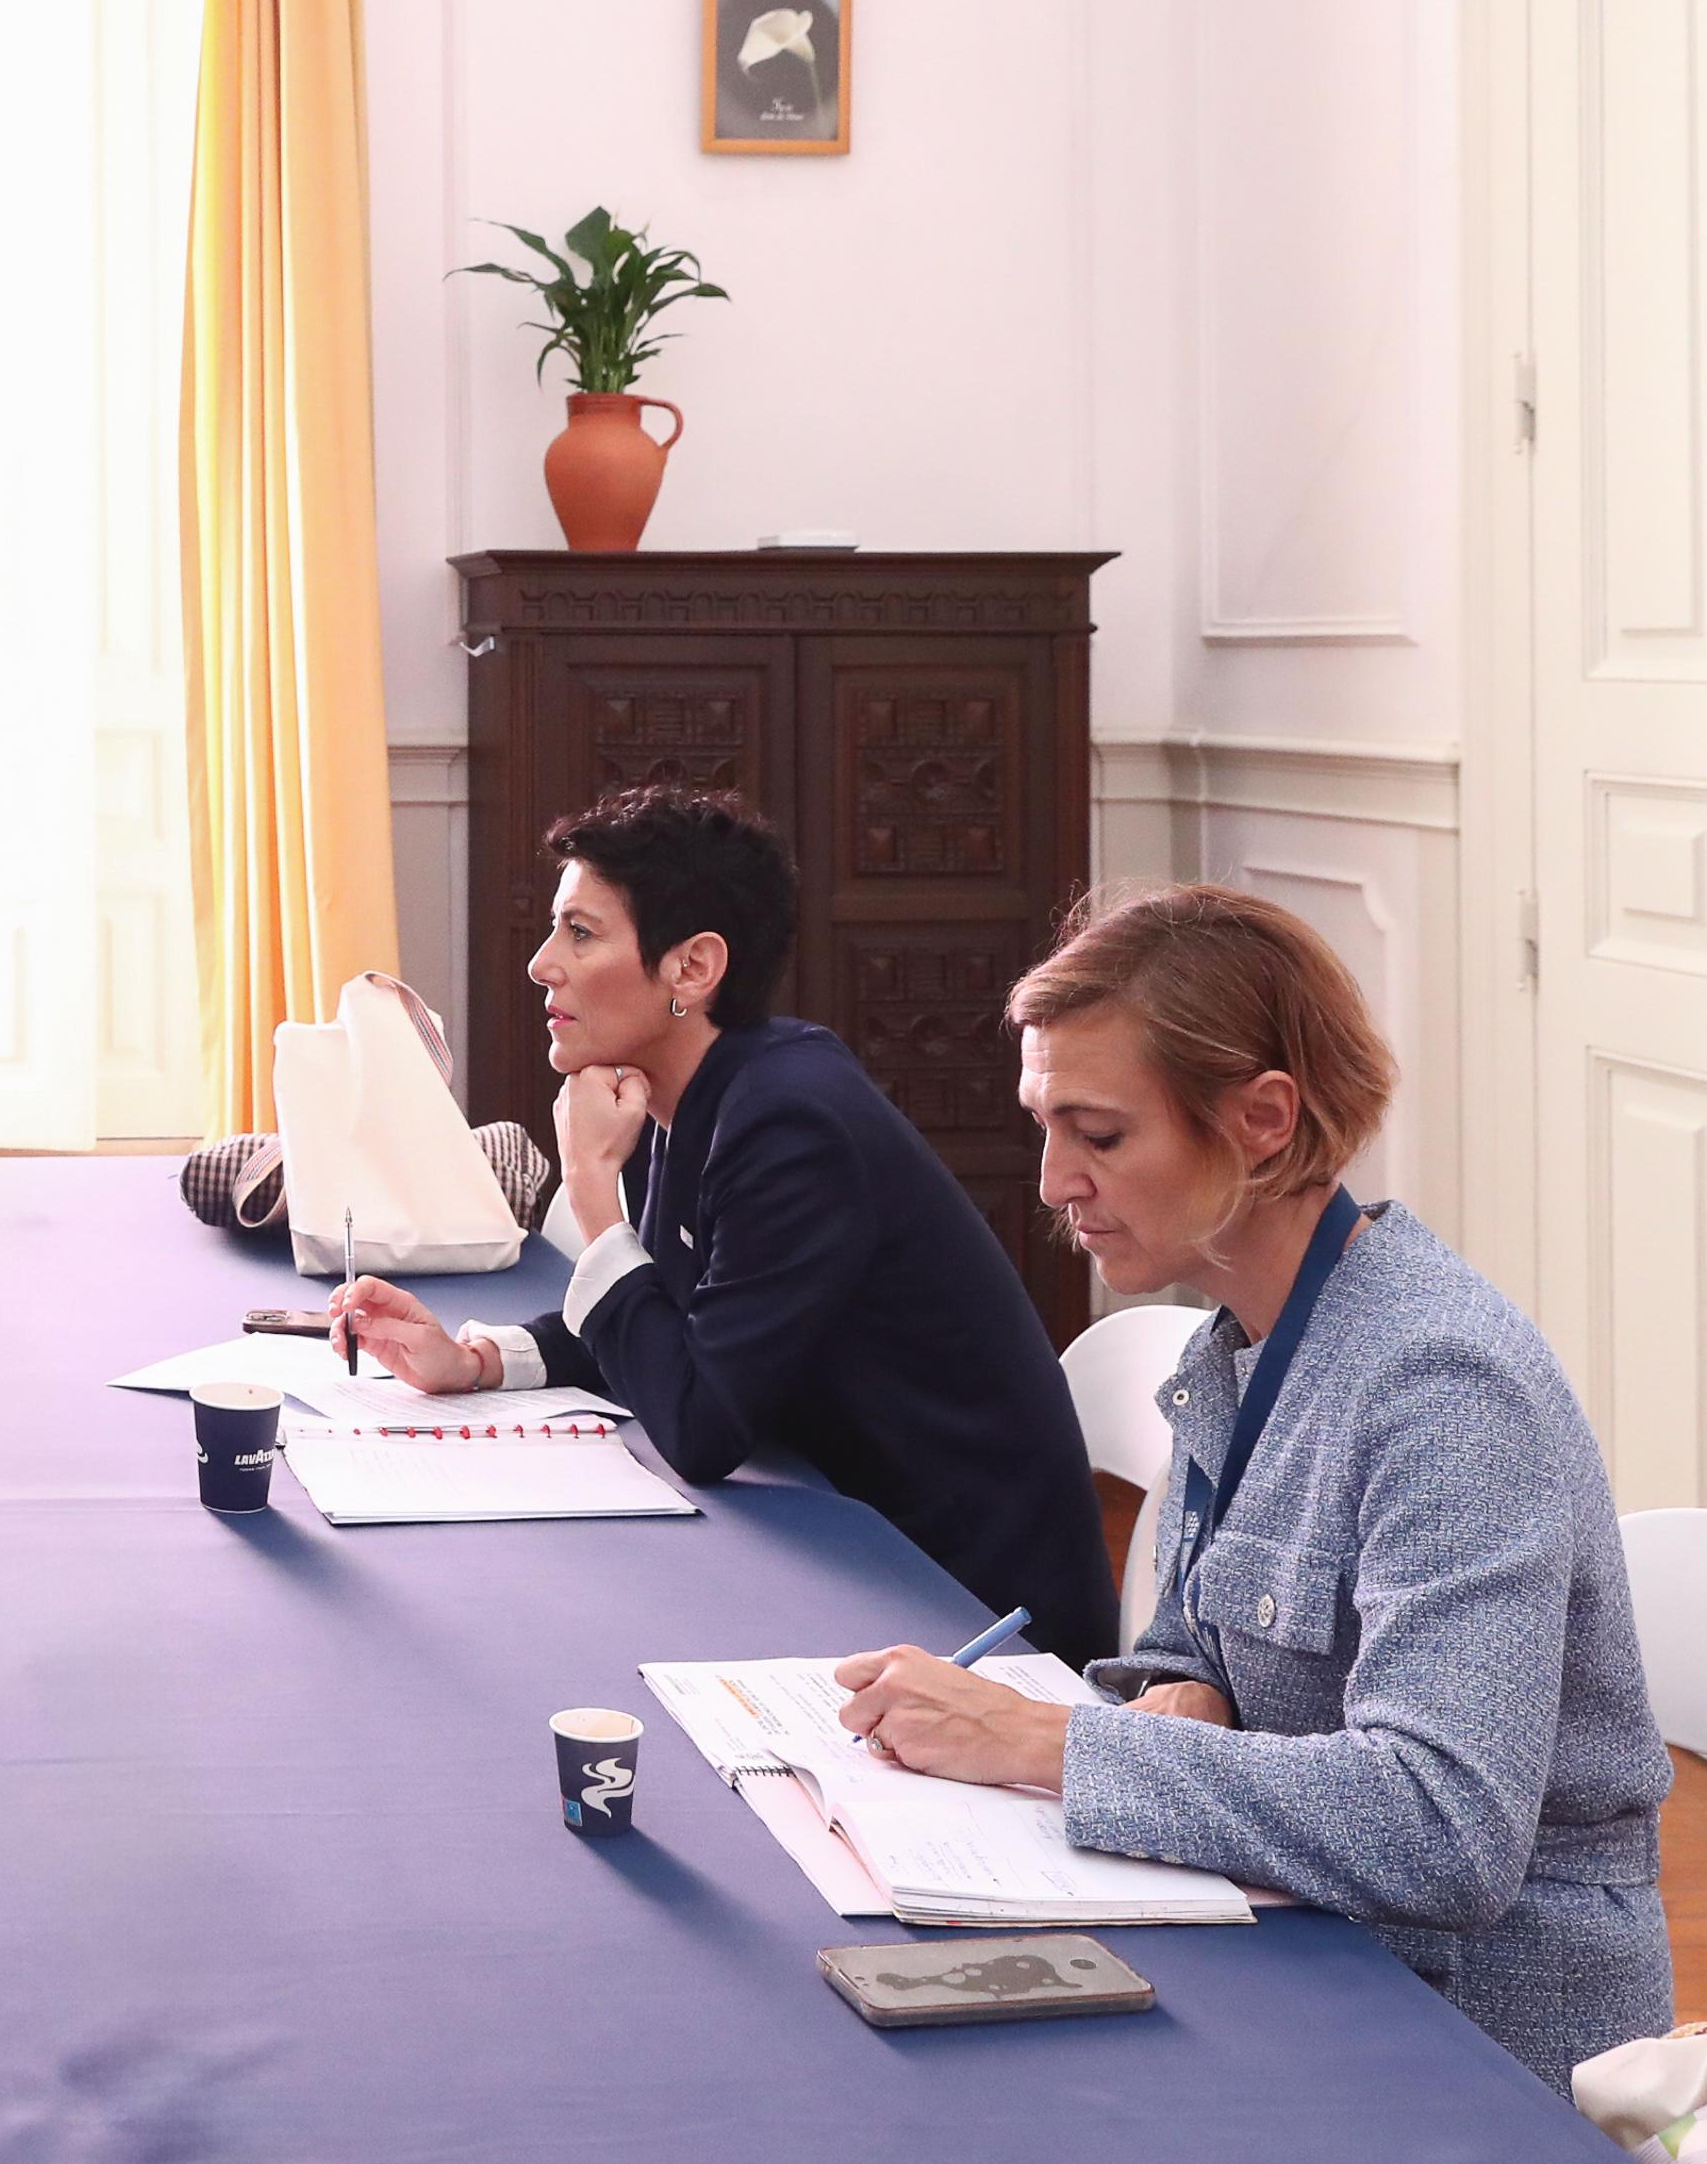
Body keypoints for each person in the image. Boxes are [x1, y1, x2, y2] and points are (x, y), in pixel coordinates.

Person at [826, 883, 1672, 2090]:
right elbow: (1199, 1641)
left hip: (1467, 2056)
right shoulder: (1235, 1344)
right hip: (1302, 1954)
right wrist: (1186, 1687)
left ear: (1263, 1119)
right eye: (1046, 1126)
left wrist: (1044, 1744)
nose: (1056, 1180)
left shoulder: (1441, 1387)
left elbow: (1442, 1828)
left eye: (1101, 1134)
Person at [329, 784, 1117, 1664]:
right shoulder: (696, 1092)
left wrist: (593, 1194)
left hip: (965, 1612)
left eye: (580, 933)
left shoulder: (790, 1121)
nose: (541, 963)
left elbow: (700, 1423)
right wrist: (473, 1361)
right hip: (846, 1546)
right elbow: (667, 1318)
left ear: (693, 968)